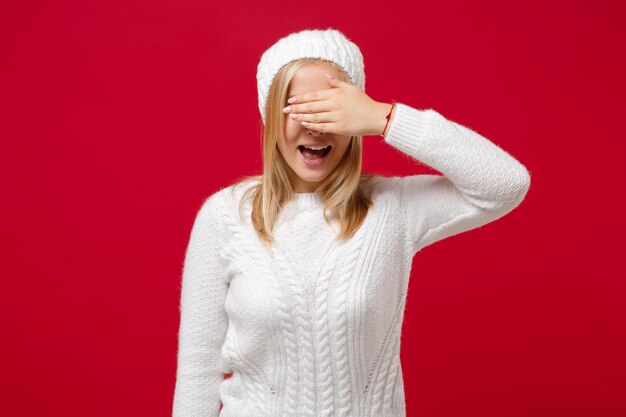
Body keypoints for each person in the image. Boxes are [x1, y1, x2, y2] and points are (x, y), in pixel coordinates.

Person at [172, 28, 531, 417]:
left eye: (330, 108)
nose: (316, 125)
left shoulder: (393, 208)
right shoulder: (225, 217)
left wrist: (386, 118)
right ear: (271, 116)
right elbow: (198, 370)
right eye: (298, 108)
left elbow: (506, 184)